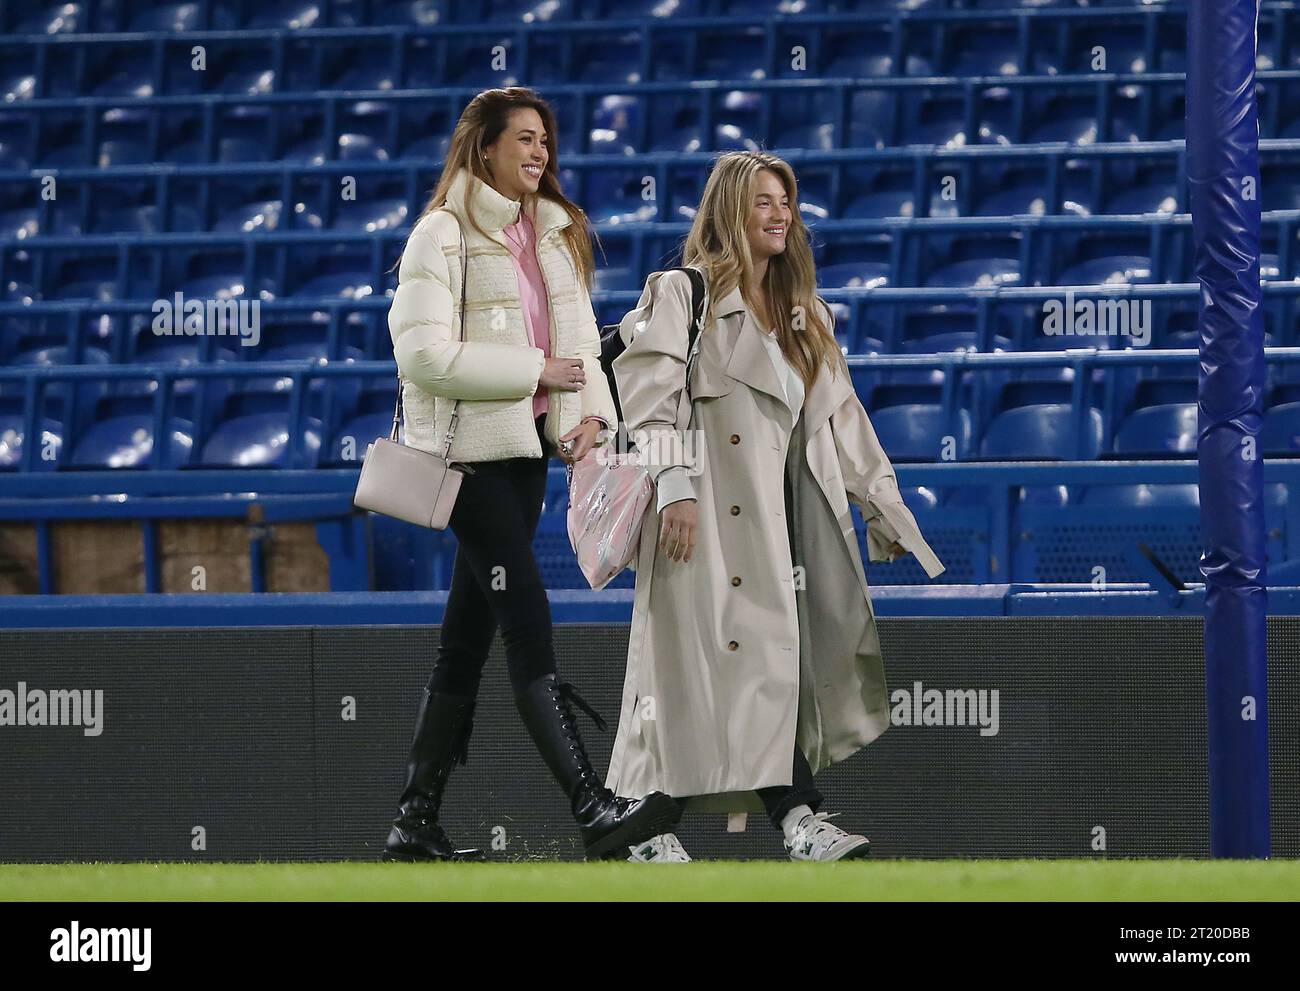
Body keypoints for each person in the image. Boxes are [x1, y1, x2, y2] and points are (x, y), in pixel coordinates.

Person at [607, 150, 946, 862]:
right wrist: (674, 490)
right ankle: (772, 820)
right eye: (763, 201)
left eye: (786, 202)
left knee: (763, 672)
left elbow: (842, 419)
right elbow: (649, 400)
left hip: (771, 526)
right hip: (692, 522)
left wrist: (882, 507)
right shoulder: (682, 292)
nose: (780, 214)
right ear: (730, 210)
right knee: (688, 680)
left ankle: (669, 825)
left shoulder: (805, 315)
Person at [382, 87, 678, 862]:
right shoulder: (438, 235)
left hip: (523, 463)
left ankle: (415, 820)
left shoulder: (549, 235)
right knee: (528, 622)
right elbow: (422, 356)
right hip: (465, 461)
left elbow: (580, 346)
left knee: (463, 641)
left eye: (545, 139)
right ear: (483, 149)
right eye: (523, 139)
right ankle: (592, 804)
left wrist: (591, 418)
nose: (539, 152)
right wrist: (534, 370)